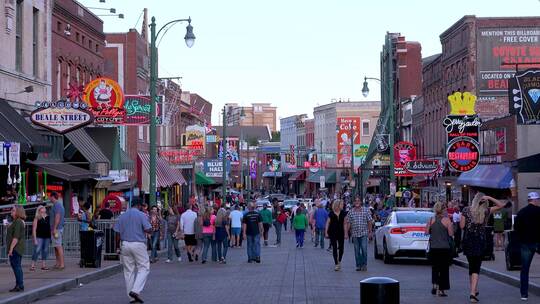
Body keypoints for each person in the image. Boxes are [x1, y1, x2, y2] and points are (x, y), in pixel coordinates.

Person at [460, 193, 506, 303]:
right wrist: (489, 197)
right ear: (484, 202)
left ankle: (473, 290)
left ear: (474, 200)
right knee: (476, 267)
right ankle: (472, 292)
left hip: (468, 241)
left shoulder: (466, 210)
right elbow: (501, 205)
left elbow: (461, 226)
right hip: (480, 241)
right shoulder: (486, 211)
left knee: (471, 267)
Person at [113, 198, 151, 303]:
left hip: (125, 244)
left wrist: (117, 246)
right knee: (144, 267)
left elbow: (117, 233)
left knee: (128, 271)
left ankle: (131, 298)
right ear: (139, 206)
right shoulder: (142, 215)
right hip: (138, 244)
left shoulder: (122, 216)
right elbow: (148, 229)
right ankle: (135, 290)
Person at [514, 192, 540, 301]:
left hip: (526, 243)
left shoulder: (521, 212)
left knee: (525, 269)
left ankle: (524, 294)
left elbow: (516, 229)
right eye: (538, 199)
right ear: (535, 200)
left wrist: (521, 240)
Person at [426, 202, 454, 297]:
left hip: (434, 248)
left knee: (435, 268)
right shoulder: (447, 220)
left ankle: (434, 285)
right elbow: (450, 234)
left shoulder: (430, 220)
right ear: (443, 210)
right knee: (444, 270)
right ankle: (441, 290)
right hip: (444, 248)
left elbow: (426, 232)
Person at [345, 196, 373, 272]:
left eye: (358, 201)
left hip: (364, 233)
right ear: (354, 203)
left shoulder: (366, 210)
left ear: (361, 202)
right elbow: (348, 223)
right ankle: (358, 265)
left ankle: (364, 265)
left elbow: (370, 221)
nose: (357, 202)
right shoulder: (351, 211)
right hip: (354, 234)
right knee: (357, 251)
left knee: (364, 249)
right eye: (355, 201)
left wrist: (370, 232)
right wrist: (346, 233)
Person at [7, 205, 26, 292]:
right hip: (17, 248)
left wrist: (11, 249)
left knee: (16, 266)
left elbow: (16, 237)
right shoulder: (17, 221)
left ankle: (20, 285)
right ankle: (19, 284)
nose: (12, 211)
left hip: (16, 248)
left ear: (18, 212)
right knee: (16, 266)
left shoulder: (18, 221)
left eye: (13, 210)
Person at [326, 199, 347, 271]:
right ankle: (336, 264)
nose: (341, 205)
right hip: (332, 232)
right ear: (336, 205)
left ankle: (339, 260)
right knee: (334, 248)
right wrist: (326, 232)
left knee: (341, 248)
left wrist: (346, 233)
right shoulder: (331, 213)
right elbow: (328, 223)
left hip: (341, 232)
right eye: (340, 204)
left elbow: (345, 223)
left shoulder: (343, 213)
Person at [31, 206, 51, 271]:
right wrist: (35, 239)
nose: (43, 211)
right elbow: (34, 229)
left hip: (47, 236)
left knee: (45, 250)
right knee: (37, 250)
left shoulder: (48, 217)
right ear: (39, 211)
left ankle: (43, 265)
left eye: (44, 210)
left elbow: (50, 227)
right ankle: (32, 265)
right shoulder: (37, 218)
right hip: (39, 236)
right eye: (41, 210)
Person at [49, 192, 65, 270]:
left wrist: (54, 228)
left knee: (58, 246)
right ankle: (58, 263)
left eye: (50, 197)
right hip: (56, 228)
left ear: (53, 197)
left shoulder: (57, 205)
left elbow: (57, 217)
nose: (49, 198)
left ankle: (61, 264)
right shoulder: (57, 205)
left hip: (57, 229)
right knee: (56, 246)